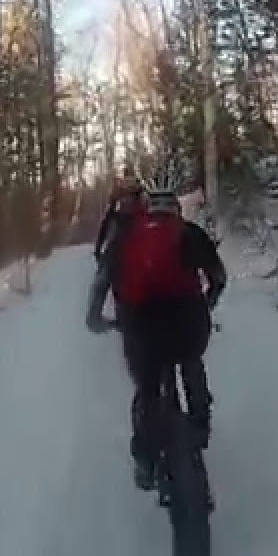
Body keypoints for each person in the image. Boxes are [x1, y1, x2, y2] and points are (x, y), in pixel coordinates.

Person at [89, 157, 227, 492]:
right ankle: (199, 422)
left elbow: (102, 277)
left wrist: (96, 318)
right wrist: (207, 302)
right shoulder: (190, 233)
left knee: (147, 391)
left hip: (139, 326)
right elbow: (218, 277)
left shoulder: (126, 237)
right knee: (191, 360)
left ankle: (146, 461)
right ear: (177, 209)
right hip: (186, 320)